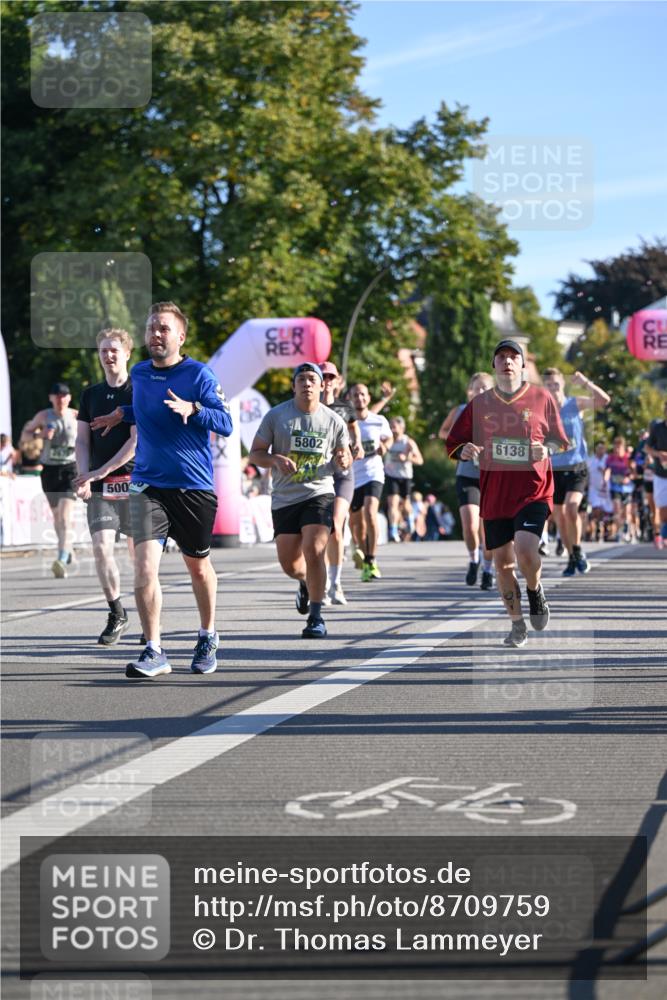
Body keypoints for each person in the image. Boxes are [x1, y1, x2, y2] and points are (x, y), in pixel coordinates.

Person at [89, 301, 233, 679]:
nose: (155, 334)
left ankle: (207, 635)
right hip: (148, 484)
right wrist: (121, 414)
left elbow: (226, 423)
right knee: (143, 566)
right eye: (151, 327)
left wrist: (194, 409)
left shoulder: (199, 375)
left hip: (192, 486)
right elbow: (144, 407)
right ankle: (154, 649)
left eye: (163, 328)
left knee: (198, 566)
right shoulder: (139, 373)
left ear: (180, 336)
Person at [446, 340, 569, 648]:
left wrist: (547, 448)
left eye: (514, 357)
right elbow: (454, 442)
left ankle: (535, 588)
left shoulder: (541, 398)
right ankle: (517, 624)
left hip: (533, 489)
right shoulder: (480, 404)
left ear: (523, 365)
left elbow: (561, 441)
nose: (508, 361)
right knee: (502, 563)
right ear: (494, 365)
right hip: (496, 493)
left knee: (526, 551)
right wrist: (465, 450)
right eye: (501, 357)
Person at [247, 362, 351, 638]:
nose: (307, 383)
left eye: (312, 379)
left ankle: (316, 616)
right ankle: (305, 581)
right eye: (301, 379)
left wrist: (344, 459)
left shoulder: (334, 421)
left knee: (315, 550)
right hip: (284, 497)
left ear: (321, 386)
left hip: (319, 493)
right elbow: (255, 454)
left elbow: (345, 456)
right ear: (293, 385)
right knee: (290, 564)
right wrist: (274, 459)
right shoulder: (276, 416)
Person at [74, 329, 137, 645]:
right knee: (101, 549)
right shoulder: (90, 395)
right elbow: (82, 440)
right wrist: (85, 475)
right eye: (103, 351)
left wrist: (100, 471)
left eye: (114, 350)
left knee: (142, 559)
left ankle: (151, 619)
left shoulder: (138, 390)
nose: (109, 355)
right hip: (101, 488)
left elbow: (135, 442)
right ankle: (117, 613)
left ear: (127, 353)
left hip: (137, 484)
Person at [542, 368, 610, 575]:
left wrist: (585, 382)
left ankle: (578, 550)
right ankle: (571, 556)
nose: (553, 389)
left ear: (562, 384)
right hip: (553, 469)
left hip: (576, 466)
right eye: (549, 385)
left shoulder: (575, 404)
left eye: (556, 384)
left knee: (572, 508)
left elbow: (603, 401)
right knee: (560, 517)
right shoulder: (542, 410)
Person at [439, 372, 495, 589]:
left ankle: (488, 569)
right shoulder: (461, 411)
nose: (480, 392)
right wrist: (460, 444)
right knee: (470, 524)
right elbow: (444, 432)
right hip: (467, 473)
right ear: (469, 391)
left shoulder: (500, 413)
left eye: (484, 388)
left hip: (491, 475)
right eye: (476, 388)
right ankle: (474, 559)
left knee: (487, 528)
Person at [24, 382, 79, 577]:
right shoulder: (43, 416)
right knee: (57, 517)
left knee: (64, 516)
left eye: (63, 396)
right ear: (51, 398)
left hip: (70, 469)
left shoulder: (76, 416)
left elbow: (88, 439)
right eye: (56, 396)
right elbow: (25, 435)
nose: (60, 399)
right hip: (49, 470)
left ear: (69, 398)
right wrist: (40, 434)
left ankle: (61, 558)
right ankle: (68, 548)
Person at [320, 360, 362, 605]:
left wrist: (356, 446)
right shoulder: (309, 408)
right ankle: (324, 583)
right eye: (323, 376)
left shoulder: (345, 408)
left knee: (335, 524)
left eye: (331, 377)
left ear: (338, 381)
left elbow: (355, 432)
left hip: (343, 473)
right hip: (319, 474)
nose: (327, 381)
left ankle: (334, 583)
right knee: (322, 529)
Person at [348, 383, 392, 581]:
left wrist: (385, 446)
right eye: (355, 395)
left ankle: (371, 560)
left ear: (368, 397)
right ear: (350, 398)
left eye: (363, 394)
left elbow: (389, 438)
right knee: (357, 524)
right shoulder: (345, 421)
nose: (359, 398)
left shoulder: (378, 420)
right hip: (352, 477)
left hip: (374, 473)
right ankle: (358, 548)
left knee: (370, 512)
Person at [384, 416, 423, 542]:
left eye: (394, 427)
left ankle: (410, 518)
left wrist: (407, 458)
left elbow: (420, 460)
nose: (392, 430)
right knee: (392, 504)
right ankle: (393, 530)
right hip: (391, 475)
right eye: (390, 427)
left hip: (405, 476)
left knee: (406, 505)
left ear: (402, 428)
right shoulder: (386, 441)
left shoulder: (408, 442)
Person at [646, 399, 667, 550]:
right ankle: (659, 533)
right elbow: (647, 448)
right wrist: (658, 454)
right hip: (660, 474)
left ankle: (663, 535)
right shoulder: (658, 428)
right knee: (660, 507)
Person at [607, 436, 635, 542]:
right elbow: (607, 470)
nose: (617, 450)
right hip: (615, 488)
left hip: (627, 489)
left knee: (627, 512)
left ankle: (627, 530)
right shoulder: (610, 458)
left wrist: (628, 478)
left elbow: (634, 474)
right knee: (617, 509)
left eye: (619, 448)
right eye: (616, 448)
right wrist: (605, 479)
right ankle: (620, 532)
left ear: (623, 447)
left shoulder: (628, 459)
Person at [586, 440, 613, 542]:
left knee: (606, 511)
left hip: (605, 489)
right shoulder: (590, 459)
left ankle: (605, 530)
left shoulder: (607, 458)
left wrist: (606, 479)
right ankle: (596, 528)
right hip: (593, 489)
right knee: (595, 509)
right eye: (598, 448)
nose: (600, 450)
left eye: (602, 448)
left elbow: (608, 470)